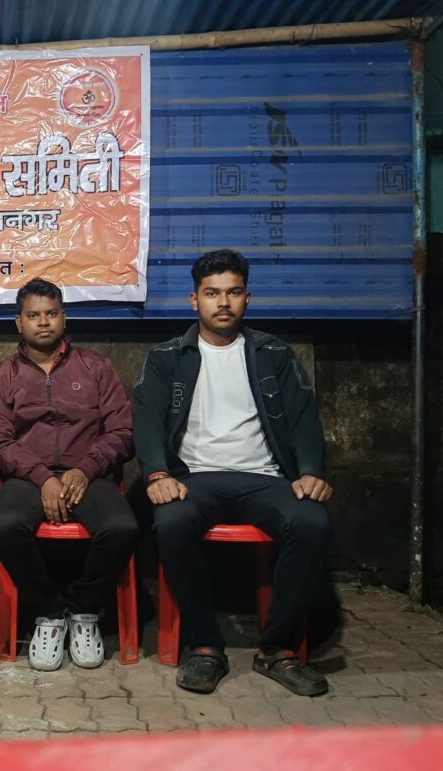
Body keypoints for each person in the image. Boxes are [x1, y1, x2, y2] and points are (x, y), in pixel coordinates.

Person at [133, 249, 332, 697]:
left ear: (246, 298)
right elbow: (147, 422)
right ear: (194, 300)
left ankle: (276, 649)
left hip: (265, 478)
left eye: (233, 292)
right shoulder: (166, 357)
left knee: (312, 522)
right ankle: (205, 646)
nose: (223, 303)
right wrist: (157, 474)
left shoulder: (274, 354)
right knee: (171, 522)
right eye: (212, 293)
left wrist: (309, 471)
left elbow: (304, 419)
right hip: (195, 479)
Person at [0, 278, 137, 671]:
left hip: (90, 475)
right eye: (33, 315)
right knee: (4, 526)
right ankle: (48, 613)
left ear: (64, 318)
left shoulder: (97, 368)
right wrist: (42, 477)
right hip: (26, 478)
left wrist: (86, 468)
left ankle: (84, 610)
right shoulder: (1, 377)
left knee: (122, 527)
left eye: (51, 314)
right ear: (19, 323)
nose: (43, 322)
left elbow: (122, 431)